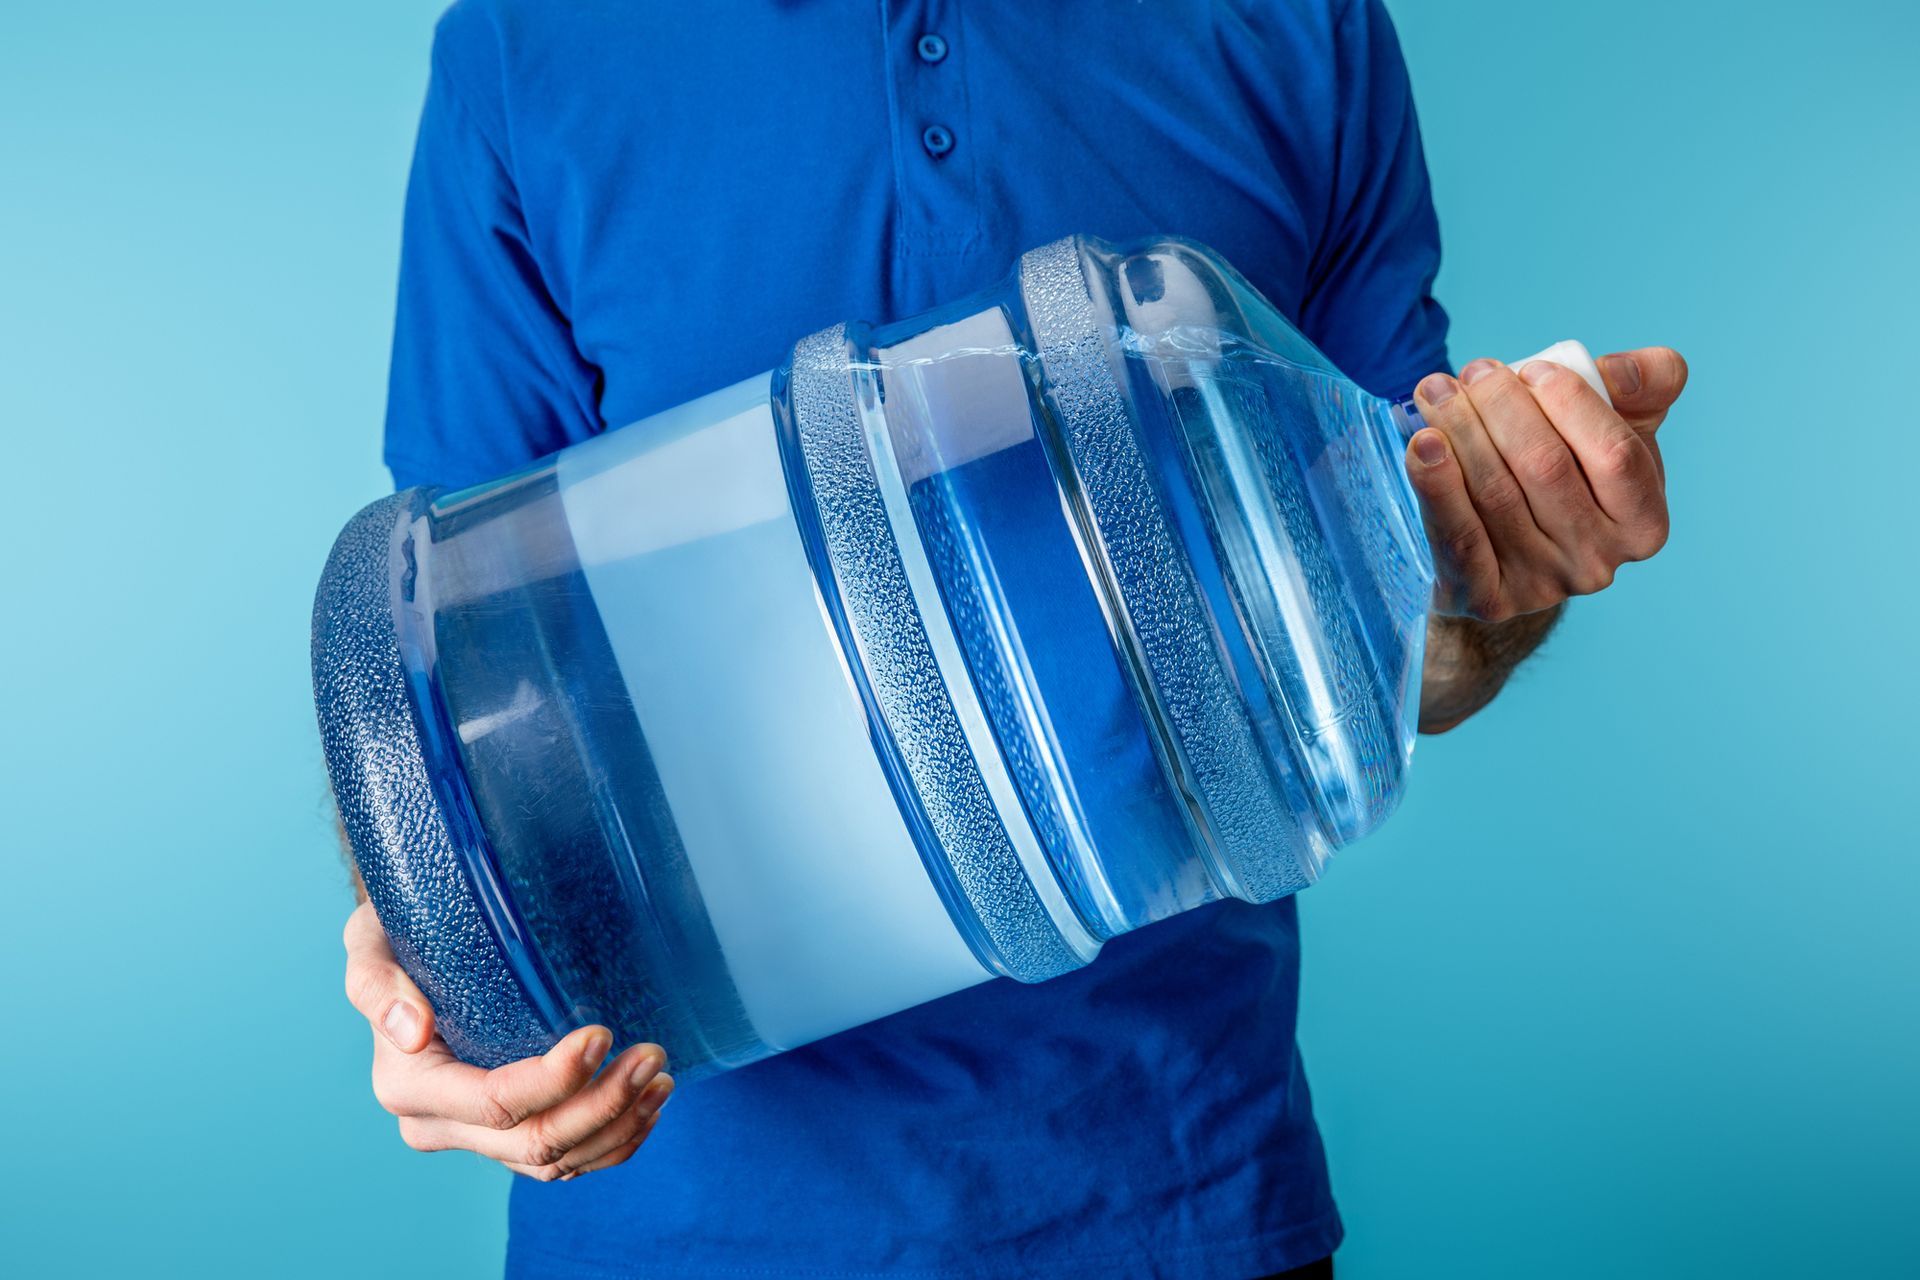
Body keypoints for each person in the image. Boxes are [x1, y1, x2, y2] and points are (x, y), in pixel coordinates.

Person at [339, 1, 1687, 1275]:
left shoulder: (1294, 27)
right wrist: (423, 996)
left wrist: (1507, 554)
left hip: (1175, 1199)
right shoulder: (532, 51)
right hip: (686, 1225)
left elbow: (1407, 618)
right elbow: (440, 682)